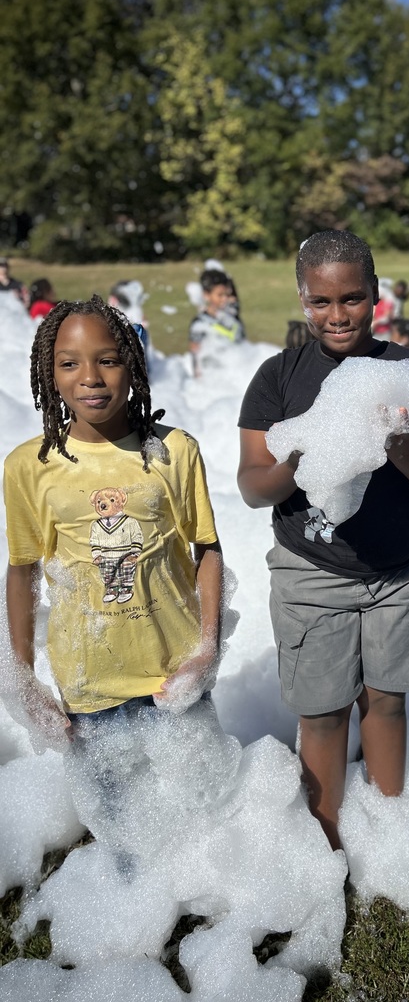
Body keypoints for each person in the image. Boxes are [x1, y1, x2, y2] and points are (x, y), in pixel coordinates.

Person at [237, 230, 409, 851]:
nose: (337, 315)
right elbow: (254, 486)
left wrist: (406, 456)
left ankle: (388, 832)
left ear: (377, 297)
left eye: (353, 299)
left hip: (399, 574)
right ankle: (326, 838)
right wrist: (308, 455)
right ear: (301, 298)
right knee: (321, 712)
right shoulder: (278, 377)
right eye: (320, 302)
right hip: (311, 572)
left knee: (387, 702)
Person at [3, 296, 224, 859]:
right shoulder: (30, 466)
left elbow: (207, 551)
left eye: (107, 360)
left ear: (134, 365)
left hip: (173, 675)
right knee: (122, 834)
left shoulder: (173, 451)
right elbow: (23, 572)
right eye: (69, 363)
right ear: (48, 375)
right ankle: (138, 923)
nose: (91, 378)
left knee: (201, 818)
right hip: (89, 681)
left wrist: (205, 651)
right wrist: (24, 681)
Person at [188, 268, 245, 378]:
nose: (224, 299)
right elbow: (196, 360)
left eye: (227, 295)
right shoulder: (200, 324)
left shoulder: (232, 318)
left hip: (237, 375)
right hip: (215, 379)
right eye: (219, 295)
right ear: (206, 295)